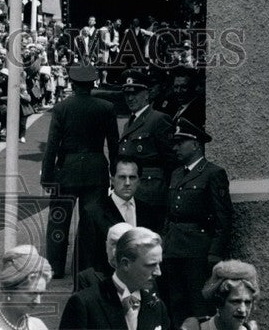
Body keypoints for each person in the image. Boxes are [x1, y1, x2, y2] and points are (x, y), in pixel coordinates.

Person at [41, 63, 119, 280]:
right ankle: (85, 265)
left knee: (59, 219)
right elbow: (114, 145)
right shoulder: (106, 107)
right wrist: (115, 172)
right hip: (96, 167)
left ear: (73, 85)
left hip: (67, 168)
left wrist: (47, 176)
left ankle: (55, 267)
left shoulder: (62, 108)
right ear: (92, 84)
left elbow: (52, 146)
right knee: (90, 220)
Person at [163, 116, 233, 329]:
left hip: (197, 252)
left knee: (200, 307)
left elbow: (224, 217)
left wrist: (214, 253)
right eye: (174, 143)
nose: (175, 148)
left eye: (180, 143)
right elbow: (170, 214)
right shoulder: (176, 174)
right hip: (173, 249)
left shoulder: (213, 173)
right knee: (176, 306)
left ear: (195, 144)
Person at [78, 155, 154, 284]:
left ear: (139, 181)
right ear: (112, 180)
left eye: (132, 177)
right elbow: (85, 263)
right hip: (107, 288)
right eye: (122, 177)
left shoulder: (148, 212)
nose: (127, 183)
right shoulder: (93, 212)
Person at [117, 69, 174, 234]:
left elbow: (171, 160)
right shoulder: (130, 123)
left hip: (151, 194)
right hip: (132, 192)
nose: (130, 98)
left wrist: (168, 193)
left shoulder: (158, 119)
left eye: (135, 93)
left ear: (147, 94)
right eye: (127, 94)